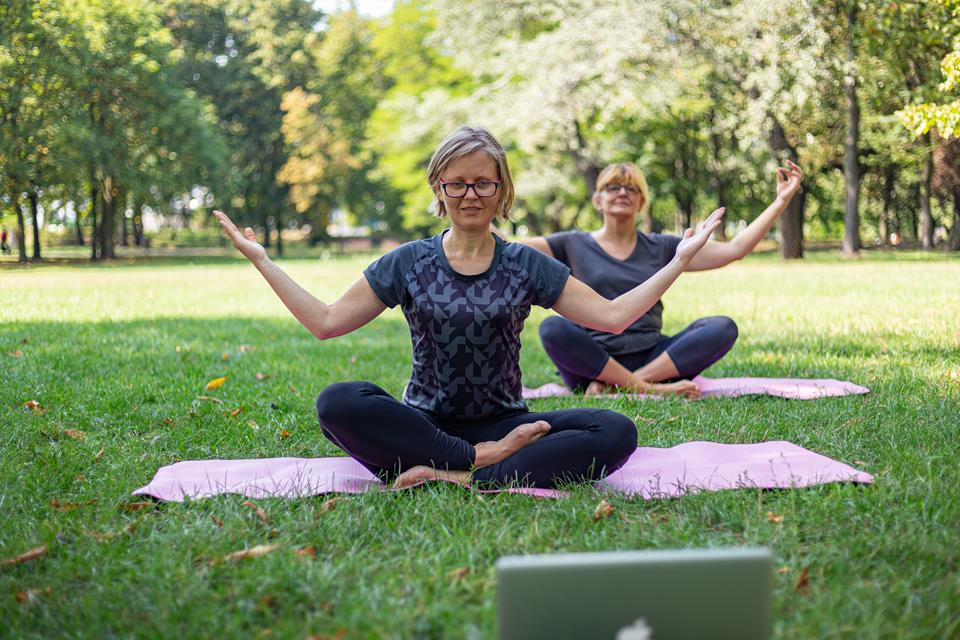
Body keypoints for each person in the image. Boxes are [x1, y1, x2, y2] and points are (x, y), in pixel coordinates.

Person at [214, 127, 723, 489]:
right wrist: (263, 261)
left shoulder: (525, 264)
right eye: (457, 183)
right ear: (439, 188)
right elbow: (326, 323)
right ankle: (480, 463)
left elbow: (612, 317)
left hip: (506, 424)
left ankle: (456, 476)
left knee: (616, 430)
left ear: (501, 191)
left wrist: (678, 261)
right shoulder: (408, 262)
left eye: (484, 182)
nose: (470, 194)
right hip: (426, 426)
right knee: (339, 401)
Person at [505, 161, 803, 399]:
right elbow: (510, 249)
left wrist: (780, 201)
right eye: (613, 187)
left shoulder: (661, 246)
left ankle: (630, 384)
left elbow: (734, 250)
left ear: (641, 202)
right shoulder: (569, 243)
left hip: (653, 357)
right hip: (592, 362)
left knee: (721, 327)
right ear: (597, 199)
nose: (622, 192)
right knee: (553, 327)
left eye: (631, 189)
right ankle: (643, 387)